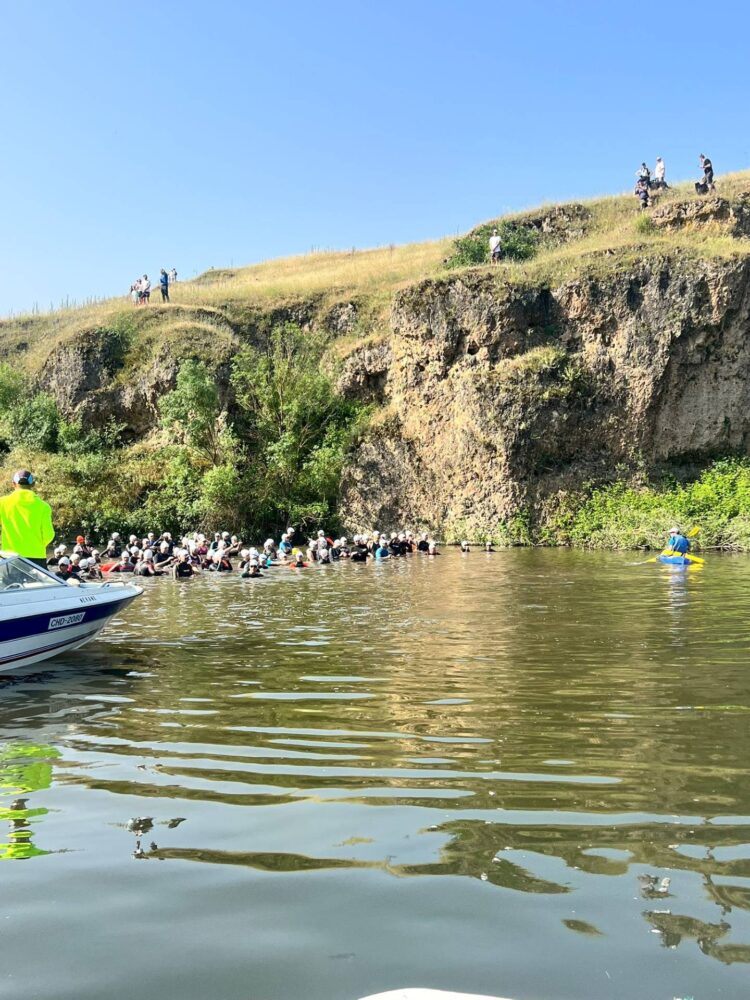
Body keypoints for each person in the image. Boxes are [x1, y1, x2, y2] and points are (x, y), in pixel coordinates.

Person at [0, 470, 55, 568]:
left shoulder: (3, 503)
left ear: (13, 484)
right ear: (33, 484)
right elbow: (49, 534)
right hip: (36, 557)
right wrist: (37, 545)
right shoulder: (44, 506)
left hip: (10, 557)